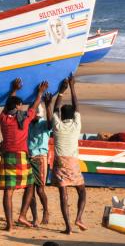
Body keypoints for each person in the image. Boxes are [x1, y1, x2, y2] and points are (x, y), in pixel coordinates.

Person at [0, 78, 48, 231]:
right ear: (18, 106)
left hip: (7, 156)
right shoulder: (25, 118)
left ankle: (9, 224)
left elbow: (8, 105)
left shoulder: (3, 119)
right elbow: (35, 105)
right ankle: (22, 215)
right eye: (20, 104)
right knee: (30, 185)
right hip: (21, 156)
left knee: (8, 191)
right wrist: (40, 92)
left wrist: (14, 89)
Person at [49, 74, 87, 234]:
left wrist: (61, 92)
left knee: (63, 194)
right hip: (72, 163)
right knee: (82, 191)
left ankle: (68, 227)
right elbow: (77, 106)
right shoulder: (76, 125)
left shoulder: (57, 126)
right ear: (72, 116)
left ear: (62, 116)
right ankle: (78, 217)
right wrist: (72, 87)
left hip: (59, 164)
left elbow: (55, 109)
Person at [27, 97, 52, 227]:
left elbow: (51, 123)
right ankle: (35, 217)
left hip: (41, 158)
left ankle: (46, 211)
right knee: (30, 191)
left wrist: (48, 105)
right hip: (29, 157)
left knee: (40, 190)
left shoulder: (44, 124)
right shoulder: (29, 124)